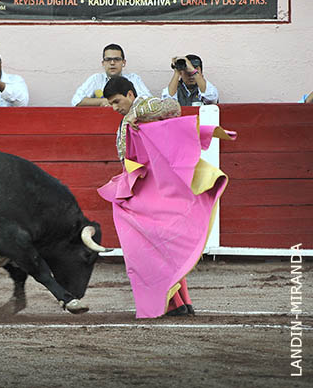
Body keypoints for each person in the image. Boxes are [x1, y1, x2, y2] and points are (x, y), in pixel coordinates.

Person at [98, 76, 235, 318]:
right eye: (110, 104)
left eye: (117, 101)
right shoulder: (129, 118)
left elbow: (172, 107)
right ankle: (181, 302)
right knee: (160, 245)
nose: (115, 108)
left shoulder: (142, 107)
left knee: (146, 246)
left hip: (154, 188)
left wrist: (135, 114)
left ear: (130, 94)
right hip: (145, 186)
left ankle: (174, 303)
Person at [71, 43, 151, 107]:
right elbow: (76, 101)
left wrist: (122, 102)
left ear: (124, 63)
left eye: (117, 59)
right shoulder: (96, 79)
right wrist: (103, 101)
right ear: (103, 63)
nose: (112, 63)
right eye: (108, 59)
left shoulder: (133, 79)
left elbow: (148, 100)